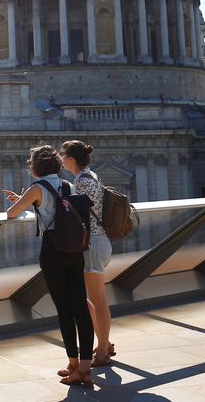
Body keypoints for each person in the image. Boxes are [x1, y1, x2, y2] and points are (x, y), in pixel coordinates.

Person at [4, 144, 94, 387]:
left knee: (64, 310)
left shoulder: (37, 188)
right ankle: (84, 366)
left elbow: (12, 214)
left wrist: (23, 200)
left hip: (53, 252)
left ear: (36, 167)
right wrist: (30, 200)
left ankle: (74, 363)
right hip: (75, 250)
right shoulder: (68, 185)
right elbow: (60, 211)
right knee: (81, 308)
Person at [61, 139, 114, 366]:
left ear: (72, 159)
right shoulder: (88, 177)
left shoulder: (83, 181)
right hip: (95, 242)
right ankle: (105, 342)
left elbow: (75, 214)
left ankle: (102, 351)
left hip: (92, 244)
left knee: (97, 299)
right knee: (87, 298)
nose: (61, 159)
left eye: (63, 155)